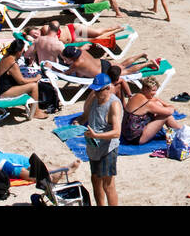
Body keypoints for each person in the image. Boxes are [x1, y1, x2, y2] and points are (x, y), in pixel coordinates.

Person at [78, 74, 122, 206]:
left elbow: (117, 133)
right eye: (95, 90)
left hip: (107, 149)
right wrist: (77, 123)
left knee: (108, 185)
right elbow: (85, 116)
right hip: (93, 147)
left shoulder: (114, 105)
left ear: (108, 88)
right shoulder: (94, 98)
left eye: (99, 90)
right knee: (95, 180)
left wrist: (96, 136)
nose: (96, 93)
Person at [120, 77, 184, 146]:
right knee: (166, 116)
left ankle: (180, 130)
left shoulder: (137, 96)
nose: (154, 93)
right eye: (153, 90)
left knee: (159, 106)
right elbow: (169, 112)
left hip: (127, 134)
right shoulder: (147, 104)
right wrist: (171, 106)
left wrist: (164, 104)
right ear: (145, 89)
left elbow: (155, 100)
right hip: (136, 138)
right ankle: (181, 132)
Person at [0, 39, 48, 119]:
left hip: (2, 88)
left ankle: (35, 108)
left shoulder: (7, 56)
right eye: (22, 52)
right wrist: (36, 78)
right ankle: (36, 112)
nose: (22, 54)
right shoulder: (12, 63)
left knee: (31, 82)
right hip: (4, 92)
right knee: (33, 85)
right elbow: (21, 81)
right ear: (18, 52)